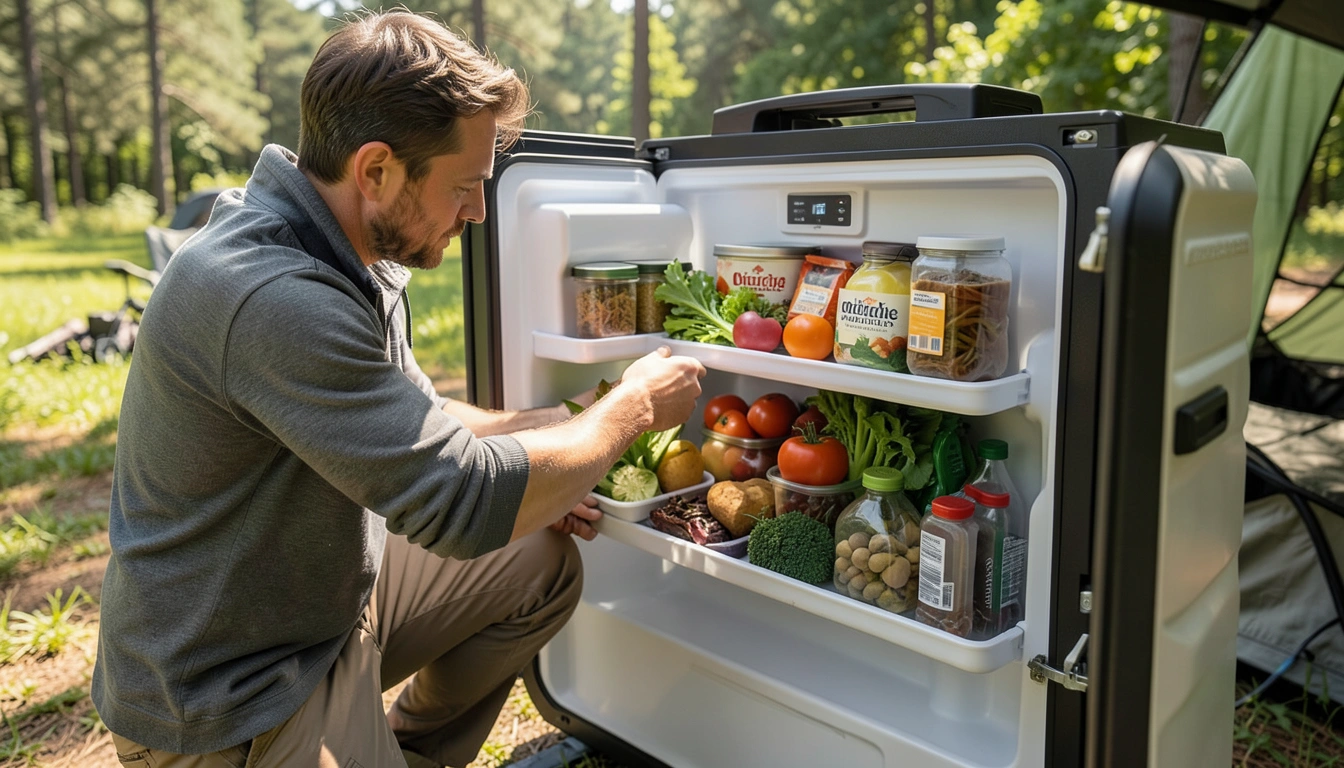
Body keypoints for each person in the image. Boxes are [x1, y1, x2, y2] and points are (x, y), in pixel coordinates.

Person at [91, 10, 705, 768]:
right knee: (501, 523)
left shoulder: (350, 247)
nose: (479, 211)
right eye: (465, 185)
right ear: (376, 170)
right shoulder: (274, 297)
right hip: (233, 691)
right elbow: (463, 503)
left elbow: (422, 417)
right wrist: (630, 408)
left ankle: (411, 752)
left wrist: (554, 418)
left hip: (320, 604)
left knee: (535, 561)